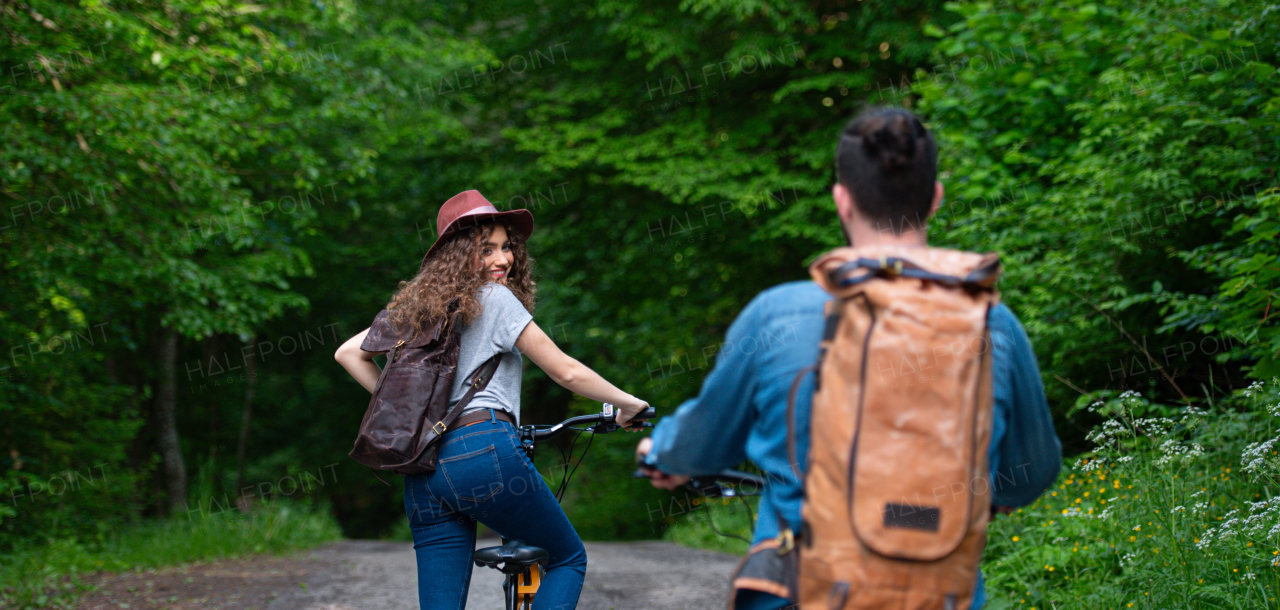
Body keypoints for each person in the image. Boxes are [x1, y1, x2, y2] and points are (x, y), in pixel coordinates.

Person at [636, 107, 1062, 610]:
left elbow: (702, 443)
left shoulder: (778, 315)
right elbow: (1031, 472)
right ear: (936, 198)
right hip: (941, 594)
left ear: (842, 201)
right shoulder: (992, 324)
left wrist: (662, 454)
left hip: (803, 590)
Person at [335, 190, 650, 610]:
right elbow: (566, 371)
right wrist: (629, 404)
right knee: (566, 558)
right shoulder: (495, 299)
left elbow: (348, 353)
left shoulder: (418, 309)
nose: (503, 260)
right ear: (461, 254)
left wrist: (413, 412)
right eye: (487, 249)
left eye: (507, 247)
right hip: (480, 450)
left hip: (422, 468)